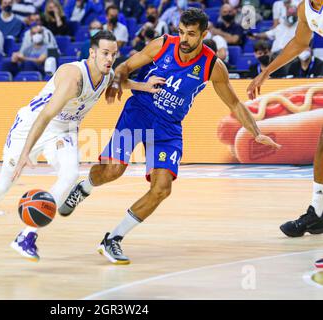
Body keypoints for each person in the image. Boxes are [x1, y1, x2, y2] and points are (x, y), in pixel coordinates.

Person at [59, 8, 280, 265]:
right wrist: (118, 82)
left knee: (162, 189)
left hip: (168, 126)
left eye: (191, 34)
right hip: (140, 111)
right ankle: (84, 188)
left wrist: (256, 132)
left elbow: (234, 104)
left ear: (204, 35)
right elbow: (126, 66)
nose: (184, 39)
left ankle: (113, 239)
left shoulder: (212, 65)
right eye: (182, 32)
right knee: (113, 170)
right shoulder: (163, 44)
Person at [0, 31, 162, 261]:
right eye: (105, 53)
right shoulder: (73, 78)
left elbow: (120, 80)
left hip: (64, 130)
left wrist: (145, 86)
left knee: (70, 174)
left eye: (113, 55)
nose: (109, 59)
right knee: (5, 183)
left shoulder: (107, 73)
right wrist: (26, 152)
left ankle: (27, 236)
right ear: (92, 52)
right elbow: (44, 116)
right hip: (32, 125)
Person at [246, 0, 323, 268]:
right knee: (322, 151)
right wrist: (266, 72)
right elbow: (300, 43)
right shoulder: (305, 9)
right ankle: (318, 213)